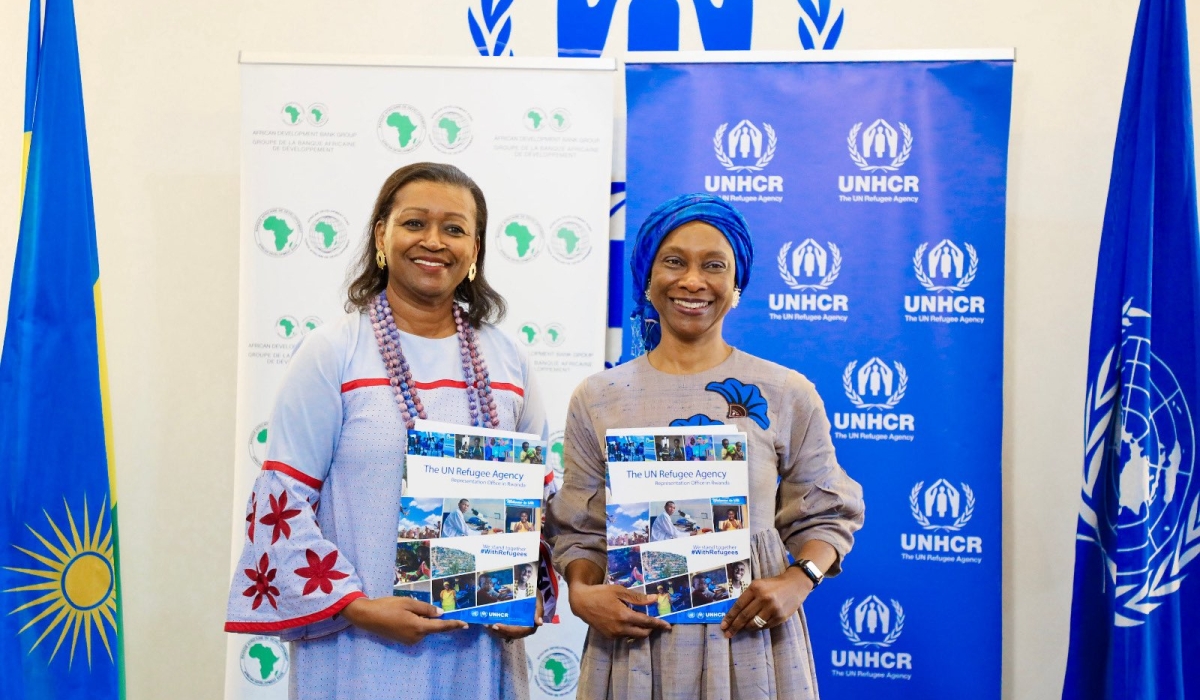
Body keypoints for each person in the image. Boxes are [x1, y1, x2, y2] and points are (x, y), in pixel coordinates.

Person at [224, 163, 551, 700]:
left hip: (479, 651)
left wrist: (528, 596)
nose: (433, 242)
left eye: (454, 229)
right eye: (414, 223)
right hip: (360, 648)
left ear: (475, 249)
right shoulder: (334, 350)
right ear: (382, 235)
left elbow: (541, 499)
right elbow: (280, 506)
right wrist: (357, 606)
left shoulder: (508, 359)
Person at [545, 193, 864, 699]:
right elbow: (579, 529)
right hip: (632, 647)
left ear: (737, 286)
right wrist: (582, 593)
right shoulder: (598, 397)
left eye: (714, 265)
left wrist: (799, 581)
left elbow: (827, 513)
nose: (692, 280)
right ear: (647, 281)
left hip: (749, 641)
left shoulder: (785, 392)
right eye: (674, 262)